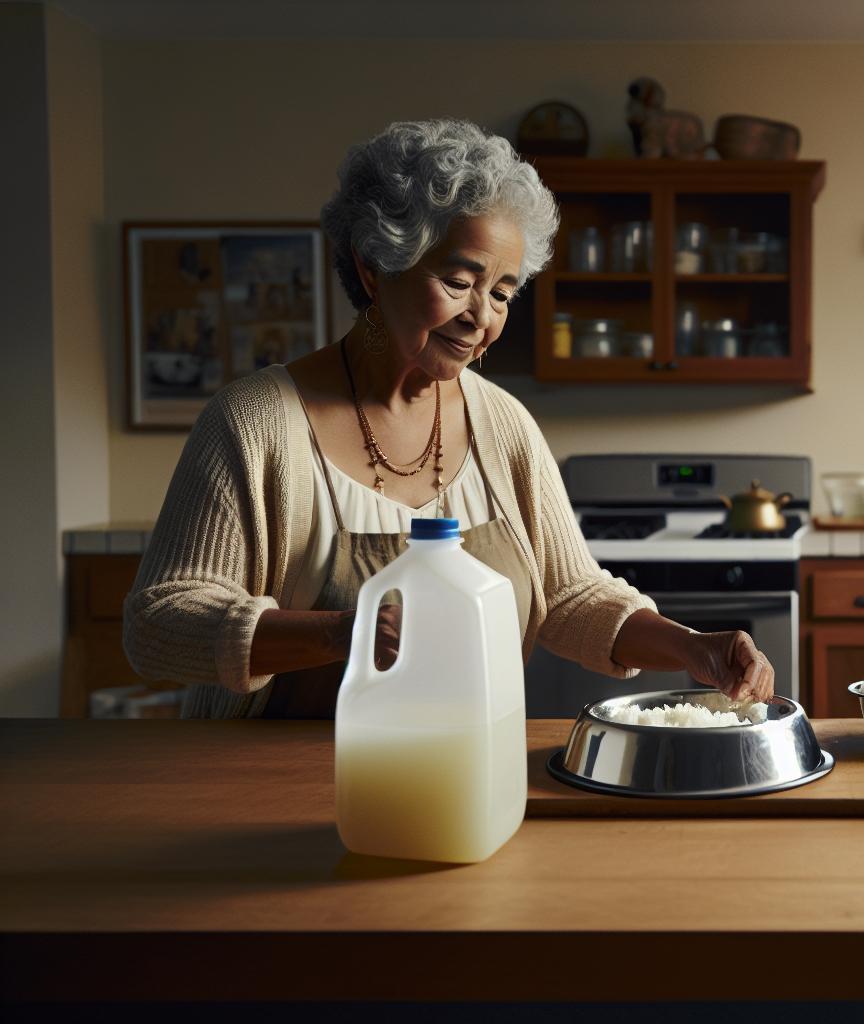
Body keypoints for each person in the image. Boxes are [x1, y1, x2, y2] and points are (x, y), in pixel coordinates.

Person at [124, 119, 774, 718]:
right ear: (375, 267)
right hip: (273, 787)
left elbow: (570, 596)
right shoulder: (256, 423)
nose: (482, 317)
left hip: (463, 775)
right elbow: (157, 627)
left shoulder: (504, 425)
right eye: (460, 281)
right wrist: (344, 632)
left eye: (501, 292)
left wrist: (693, 647)